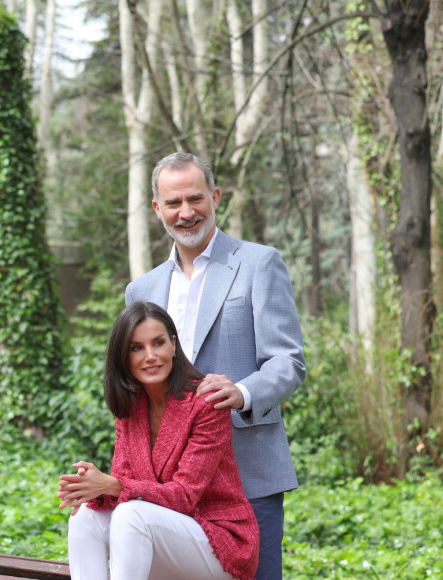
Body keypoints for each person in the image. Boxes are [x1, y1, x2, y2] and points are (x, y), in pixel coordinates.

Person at [125, 152, 306, 580]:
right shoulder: (142, 289)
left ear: (216, 197)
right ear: (157, 209)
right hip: (168, 479)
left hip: (247, 468)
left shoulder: (259, 263)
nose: (185, 213)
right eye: (173, 203)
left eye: (195, 198)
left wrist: (243, 392)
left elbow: (288, 360)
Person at [58, 301, 259, 580]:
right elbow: (126, 484)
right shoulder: (130, 406)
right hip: (158, 533)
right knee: (84, 518)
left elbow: (185, 496)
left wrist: (111, 485)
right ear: (123, 356)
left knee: (130, 515)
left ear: (173, 345)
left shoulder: (205, 402)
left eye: (158, 343)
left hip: (217, 539)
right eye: (137, 348)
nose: (150, 355)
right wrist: (92, 489)